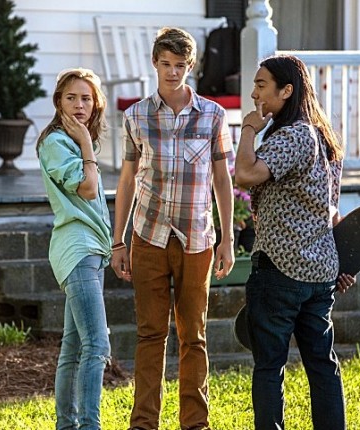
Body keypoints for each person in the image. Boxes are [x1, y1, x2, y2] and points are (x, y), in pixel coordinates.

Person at [110, 27, 235, 430]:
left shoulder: (213, 115)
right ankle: (143, 423)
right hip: (148, 236)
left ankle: (195, 423)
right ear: (155, 63)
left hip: (197, 239)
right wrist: (118, 241)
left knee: (193, 335)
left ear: (190, 66)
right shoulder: (135, 116)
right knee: (150, 334)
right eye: (165, 64)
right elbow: (127, 180)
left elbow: (222, 180)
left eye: (180, 65)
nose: (172, 72)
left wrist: (227, 238)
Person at [234, 54, 356, 430]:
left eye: (261, 85)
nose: (254, 94)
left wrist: (248, 129)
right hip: (320, 273)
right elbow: (331, 209)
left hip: (280, 271)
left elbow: (245, 174)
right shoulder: (324, 138)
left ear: (286, 90)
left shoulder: (294, 136)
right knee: (322, 365)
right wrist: (340, 262)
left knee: (269, 366)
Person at [36, 68, 112, 430]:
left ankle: (67, 425)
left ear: (96, 104)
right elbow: (88, 188)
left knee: (73, 347)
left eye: (86, 98)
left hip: (92, 249)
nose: (79, 105)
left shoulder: (77, 142)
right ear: (58, 102)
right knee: (97, 345)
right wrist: (85, 145)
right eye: (71, 98)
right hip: (77, 249)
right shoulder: (57, 142)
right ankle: (89, 426)